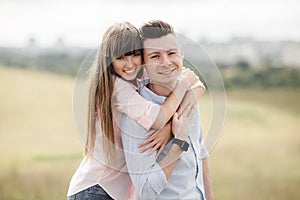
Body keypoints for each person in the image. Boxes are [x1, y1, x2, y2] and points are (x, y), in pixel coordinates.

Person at [67, 22, 204, 199]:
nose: (130, 63)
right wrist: (182, 88)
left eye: (135, 55)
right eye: (121, 57)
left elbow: (196, 84)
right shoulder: (118, 88)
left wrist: (169, 129)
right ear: (109, 59)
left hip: (111, 191)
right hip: (96, 190)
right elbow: (158, 119)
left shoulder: (139, 74)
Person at [121, 20, 214, 200]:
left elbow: (200, 152)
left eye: (171, 53)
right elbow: (146, 192)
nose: (166, 62)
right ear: (144, 64)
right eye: (155, 56)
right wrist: (179, 143)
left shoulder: (190, 95)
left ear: (181, 54)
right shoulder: (136, 118)